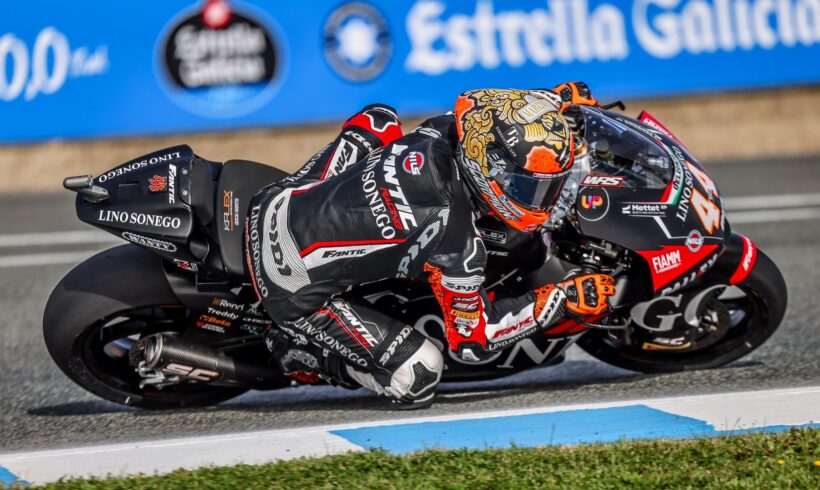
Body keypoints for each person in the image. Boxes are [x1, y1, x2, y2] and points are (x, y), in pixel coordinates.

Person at [245, 82, 616, 409]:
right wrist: (560, 300)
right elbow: (473, 342)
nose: (541, 199)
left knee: (379, 120)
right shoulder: (458, 245)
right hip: (287, 281)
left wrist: (555, 99)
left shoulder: (446, 128)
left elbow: (498, 114)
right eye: (527, 186)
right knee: (420, 374)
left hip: (278, 199)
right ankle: (303, 355)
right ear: (489, 167)